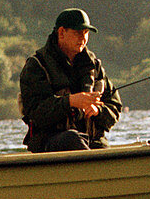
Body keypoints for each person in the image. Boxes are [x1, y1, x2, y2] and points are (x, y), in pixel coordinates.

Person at [19, 8, 123, 152]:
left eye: (86, 33)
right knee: (71, 139)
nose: (83, 38)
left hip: (91, 140)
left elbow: (115, 107)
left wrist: (97, 110)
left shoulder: (94, 65)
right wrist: (71, 101)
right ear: (61, 33)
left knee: (102, 148)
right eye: (77, 33)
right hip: (50, 142)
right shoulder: (37, 65)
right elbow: (36, 112)